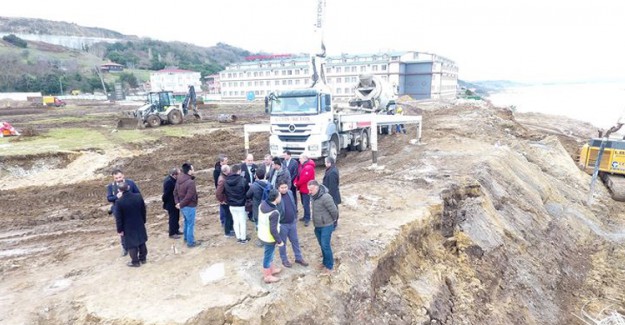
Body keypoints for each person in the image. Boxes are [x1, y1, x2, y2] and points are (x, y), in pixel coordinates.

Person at [106, 168, 141, 256]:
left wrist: (129, 195)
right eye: (116, 178)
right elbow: (109, 198)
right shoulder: (111, 186)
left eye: (120, 177)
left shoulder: (130, 183)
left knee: (135, 227)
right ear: (113, 178)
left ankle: (139, 245)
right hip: (119, 211)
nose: (119, 179)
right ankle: (125, 247)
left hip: (132, 209)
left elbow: (138, 194)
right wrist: (116, 197)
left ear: (123, 175)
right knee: (122, 230)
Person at [114, 182, 148, 267]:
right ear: (128, 187)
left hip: (128, 226)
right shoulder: (138, 196)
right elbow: (143, 210)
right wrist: (143, 220)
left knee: (132, 244)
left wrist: (120, 230)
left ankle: (135, 262)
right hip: (139, 222)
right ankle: (143, 259)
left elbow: (118, 218)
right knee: (141, 241)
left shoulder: (119, 202)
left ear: (119, 190)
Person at [308, 180, 338, 274]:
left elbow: (334, 211)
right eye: (309, 189)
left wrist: (332, 222)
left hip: (326, 225)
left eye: (311, 190)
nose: (309, 192)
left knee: (325, 245)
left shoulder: (326, 197)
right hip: (317, 225)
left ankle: (329, 266)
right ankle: (325, 262)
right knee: (322, 245)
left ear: (317, 188)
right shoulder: (313, 196)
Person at [276, 180, 308, 268]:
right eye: (282, 188)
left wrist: (295, 216)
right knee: (282, 243)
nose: (284, 189)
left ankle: (298, 257)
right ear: (278, 188)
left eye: (285, 187)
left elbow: (293, 204)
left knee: (295, 241)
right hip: (282, 224)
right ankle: (284, 260)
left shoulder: (290, 193)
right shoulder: (276, 196)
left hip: (292, 222)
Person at [257, 189, 284, 283]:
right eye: (279, 196)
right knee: (268, 256)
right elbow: (273, 230)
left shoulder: (262, 204)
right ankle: (267, 276)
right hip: (269, 238)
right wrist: (279, 241)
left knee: (270, 253)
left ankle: (272, 269)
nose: (280, 197)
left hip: (262, 234)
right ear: (276, 198)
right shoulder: (274, 213)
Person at [174, 163, 198, 248]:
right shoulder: (190, 182)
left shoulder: (179, 178)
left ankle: (186, 238)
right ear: (189, 171)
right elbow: (189, 196)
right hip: (189, 206)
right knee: (190, 224)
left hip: (182, 206)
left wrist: (178, 203)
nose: (194, 170)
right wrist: (180, 204)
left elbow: (175, 193)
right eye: (193, 169)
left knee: (186, 222)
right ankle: (190, 242)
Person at [225, 164, 250, 243]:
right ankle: (243, 238)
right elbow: (247, 191)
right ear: (239, 171)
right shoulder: (242, 180)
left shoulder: (227, 181)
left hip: (231, 204)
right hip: (241, 204)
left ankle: (238, 237)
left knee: (235, 221)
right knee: (242, 221)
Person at [294, 154, 315, 227]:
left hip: (306, 189)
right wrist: (295, 181)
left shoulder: (308, 167)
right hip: (302, 188)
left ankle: (307, 218)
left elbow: (304, 179)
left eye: (300, 158)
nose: (299, 160)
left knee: (306, 204)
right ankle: (305, 216)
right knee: (304, 203)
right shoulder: (301, 165)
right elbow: (298, 175)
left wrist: (297, 183)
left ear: (304, 159)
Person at [162, 167, 182, 238]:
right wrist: (166, 203)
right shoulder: (169, 182)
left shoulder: (173, 180)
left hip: (175, 203)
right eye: (179, 174)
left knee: (176, 217)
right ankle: (172, 233)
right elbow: (165, 195)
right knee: (173, 218)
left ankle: (176, 230)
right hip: (171, 203)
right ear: (174, 175)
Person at [322, 157, 341, 228]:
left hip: (332, 195)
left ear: (329, 163)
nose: (325, 163)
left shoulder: (332, 172)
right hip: (330, 194)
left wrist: (328, 196)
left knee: (333, 209)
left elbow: (332, 187)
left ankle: (334, 224)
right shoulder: (331, 169)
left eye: (326, 162)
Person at [216, 165, 234, 237]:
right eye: (229, 170)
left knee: (229, 215)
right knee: (227, 216)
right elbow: (218, 192)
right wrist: (222, 200)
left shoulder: (223, 177)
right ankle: (227, 232)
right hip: (225, 201)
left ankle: (230, 229)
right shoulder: (222, 180)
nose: (230, 171)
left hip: (226, 200)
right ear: (226, 171)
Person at [213, 154, 229, 226]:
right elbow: (217, 183)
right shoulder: (217, 171)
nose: (227, 161)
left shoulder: (226, 168)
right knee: (223, 206)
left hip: (226, 191)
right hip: (222, 192)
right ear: (221, 162)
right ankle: (223, 221)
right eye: (226, 160)